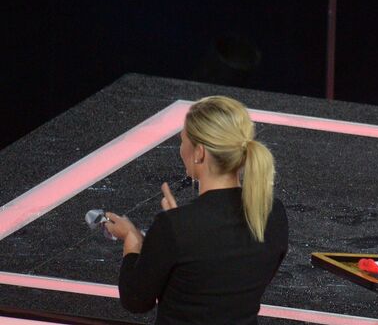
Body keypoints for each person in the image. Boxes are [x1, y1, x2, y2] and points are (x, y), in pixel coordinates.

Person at [103, 95, 287, 324]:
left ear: (199, 152)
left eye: (182, 141)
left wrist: (134, 243)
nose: (181, 149)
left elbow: (137, 301)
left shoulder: (175, 228)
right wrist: (177, 228)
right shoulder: (274, 214)